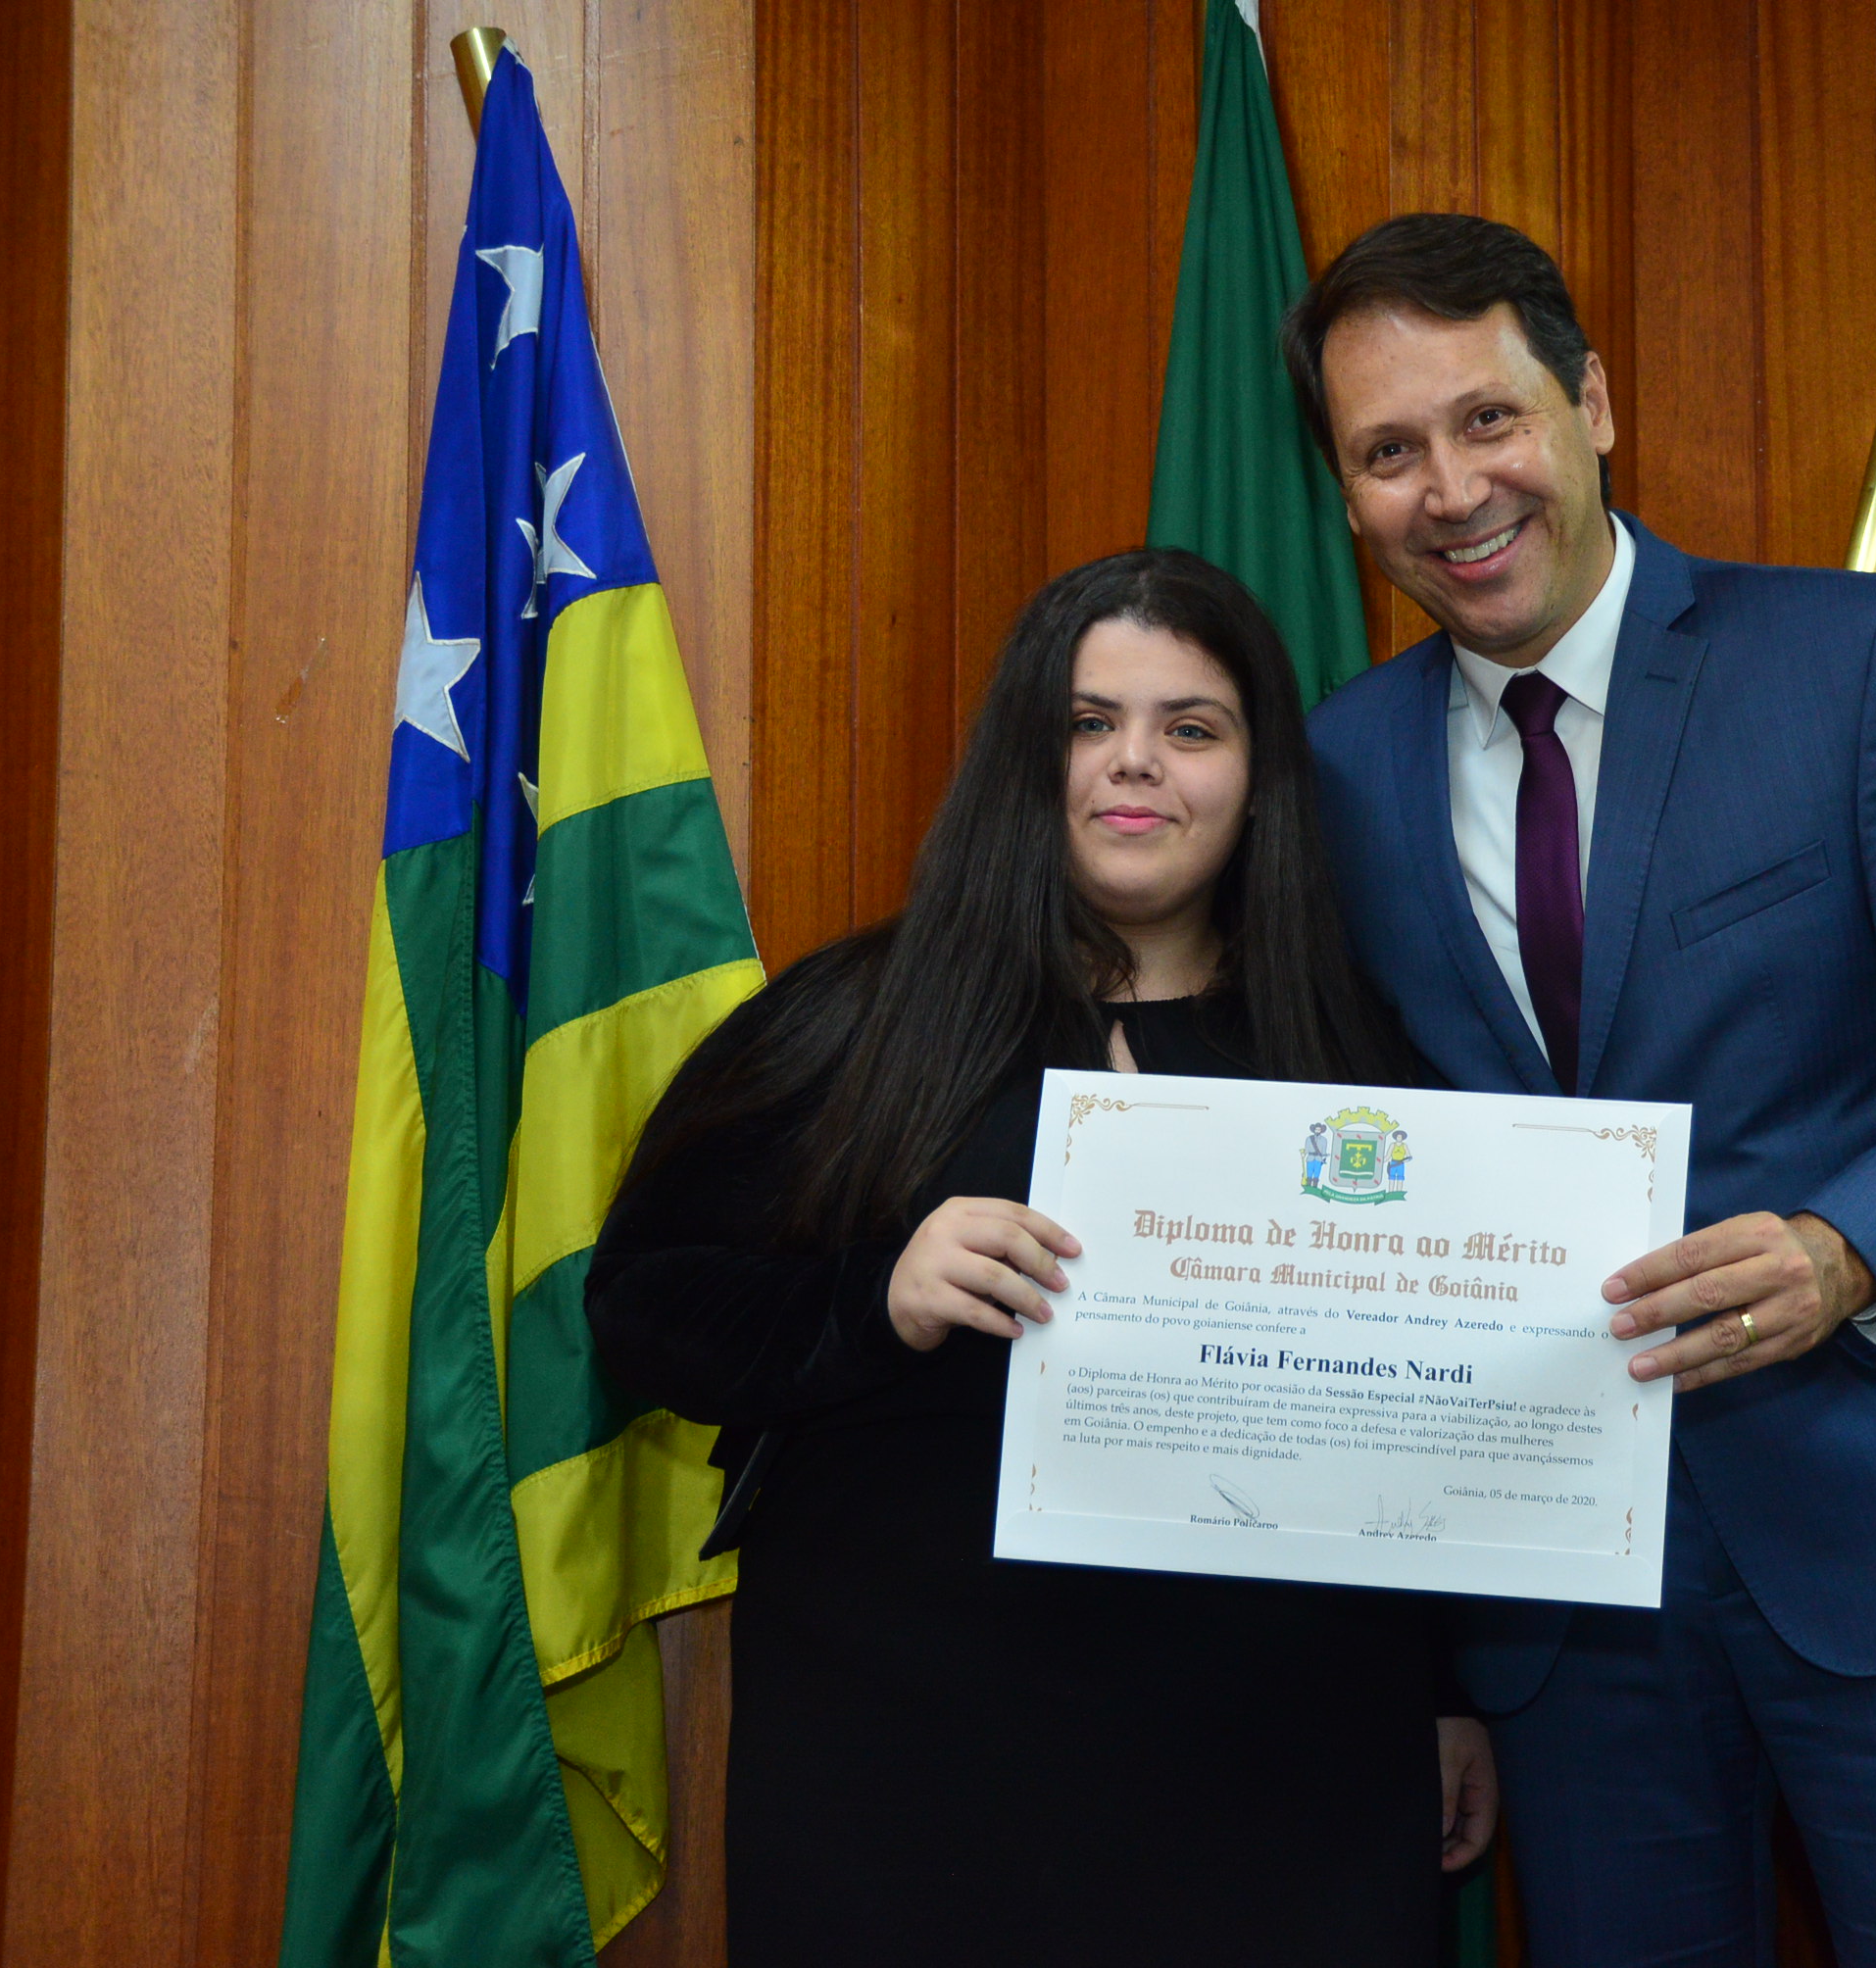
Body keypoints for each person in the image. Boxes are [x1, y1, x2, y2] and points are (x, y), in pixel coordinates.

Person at [1288, 214, 1876, 1966]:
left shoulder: (1854, 662)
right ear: (1348, 495)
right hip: (1562, 1609)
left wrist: (1844, 1249)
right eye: (1388, 452)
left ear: (1592, 405)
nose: (1451, 490)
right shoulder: (1338, 772)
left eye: (1489, 419)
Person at [584, 548, 1496, 1968]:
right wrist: (878, 1299)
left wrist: (1443, 1687)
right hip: (914, 1783)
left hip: (1285, 1783)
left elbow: (1427, 1419)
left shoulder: (1357, 1066)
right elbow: (641, 1309)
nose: (1136, 763)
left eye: (1191, 727)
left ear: (1261, 781)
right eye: (1088, 723)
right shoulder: (862, 1021)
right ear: (1026, 760)